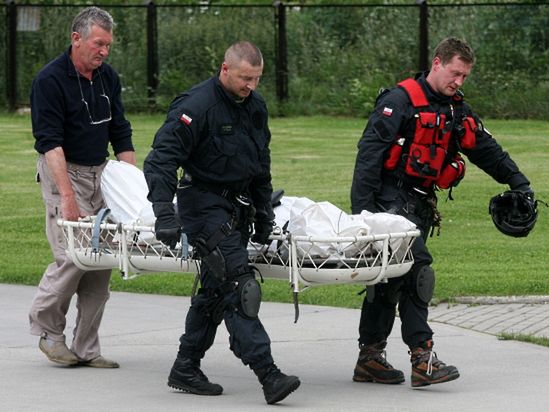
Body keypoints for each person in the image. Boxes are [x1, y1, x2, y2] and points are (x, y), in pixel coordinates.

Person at [350, 37, 534, 387]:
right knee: (418, 273)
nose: (459, 82)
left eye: (465, 76)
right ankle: (423, 358)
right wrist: (364, 216)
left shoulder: (454, 109)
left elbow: (486, 149)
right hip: (388, 204)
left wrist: (519, 183)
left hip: (418, 205)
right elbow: (368, 158)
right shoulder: (398, 102)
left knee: (390, 280)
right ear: (437, 64)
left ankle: (370, 358)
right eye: (455, 73)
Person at [143, 41, 300, 404]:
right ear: (225, 69)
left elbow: (261, 166)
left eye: (257, 79)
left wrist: (264, 213)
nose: (251, 86)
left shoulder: (255, 107)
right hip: (203, 208)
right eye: (245, 78)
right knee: (240, 286)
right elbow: (161, 161)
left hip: (237, 210)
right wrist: (165, 214)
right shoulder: (196, 107)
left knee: (215, 291)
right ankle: (269, 374)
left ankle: (186, 367)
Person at [29, 6, 135, 368]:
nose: (104, 51)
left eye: (108, 45)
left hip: (101, 171)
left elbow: (120, 131)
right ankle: (48, 331)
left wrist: (132, 187)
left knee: (102, 259)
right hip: (64, 170)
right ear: (77, 39)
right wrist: (68, 197)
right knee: (73, 256)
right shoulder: (50, 80)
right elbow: (49, 142)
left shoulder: (108, 78)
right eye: (98, 43)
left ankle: (87, 348)